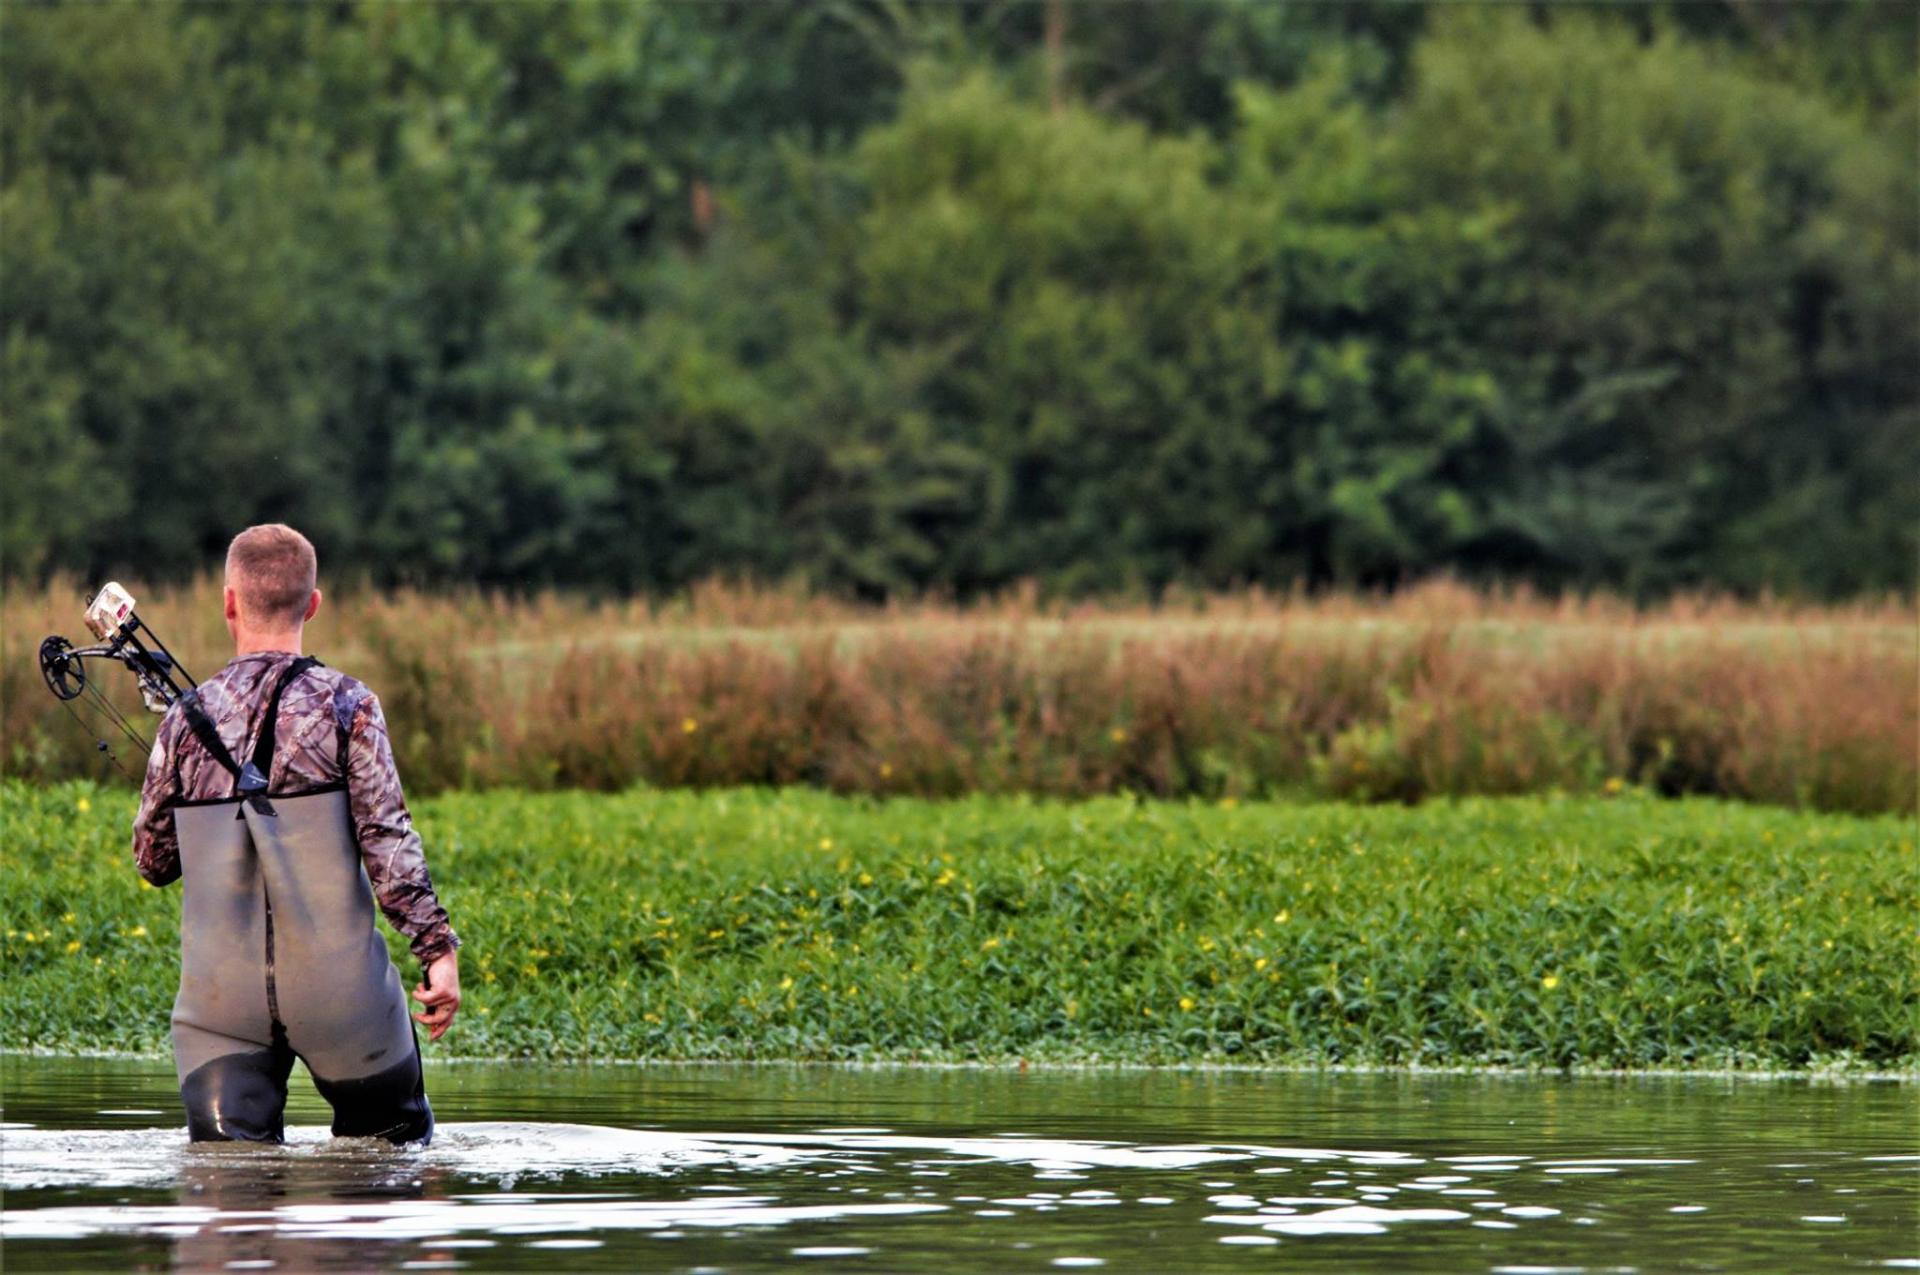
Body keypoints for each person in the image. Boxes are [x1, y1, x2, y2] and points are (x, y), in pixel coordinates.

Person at [132, 524, 461, 1144]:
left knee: (228, 1212)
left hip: (218, 1008)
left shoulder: (182, 720)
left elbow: (153, 860)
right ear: (313, 603)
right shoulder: (349, 705)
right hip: (344, 999)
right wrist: (436, 950)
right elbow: (388, 844)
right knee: (388, 1167)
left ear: (228, 601)